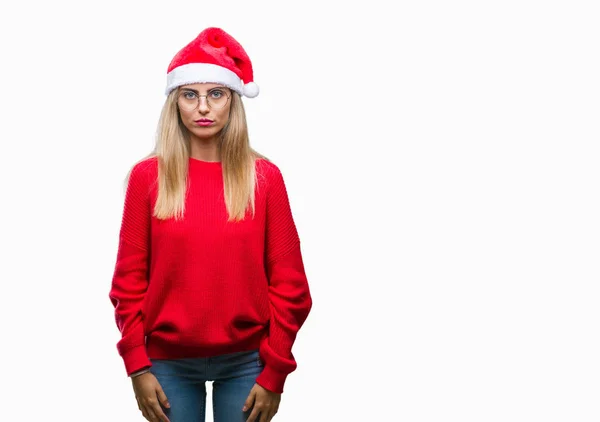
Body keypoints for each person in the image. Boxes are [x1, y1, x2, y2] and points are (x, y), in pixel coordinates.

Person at [108, 27, 313, 422]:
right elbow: (128, 281)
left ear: (233, 103)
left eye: (215, 94)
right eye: (190, 94)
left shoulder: (264, 178)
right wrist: (136, 362)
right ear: (176, 104)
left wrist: (275, 371)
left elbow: (291, 286)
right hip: (166, 362)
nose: (203, 107)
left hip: (248, 361)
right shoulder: (148, 178)